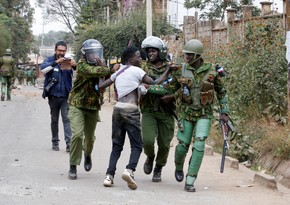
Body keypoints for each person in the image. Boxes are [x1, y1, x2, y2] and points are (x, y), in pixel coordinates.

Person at [95, 46, 178, 190]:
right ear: (131, 59)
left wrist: (102, 70)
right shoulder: (138, 71)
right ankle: (129, 170)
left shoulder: (118, 71)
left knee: (116, 146)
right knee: (137, 146)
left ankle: (109, 176)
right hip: (131, 111)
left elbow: (101, 86)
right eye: (138, 56)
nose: (141, 59)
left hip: (118, 109)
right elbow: (156, 82)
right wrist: (168, 71)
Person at [171, 39, 229, 192]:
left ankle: (190, 180)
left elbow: (221, 92)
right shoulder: (180, 70)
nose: (186, 58)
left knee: (199, 145)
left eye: (189, 55)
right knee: (182, 146)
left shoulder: (212, 70)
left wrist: (225, 112)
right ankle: (178, 167)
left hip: (204, 113)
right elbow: (170, 88)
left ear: (197, 55)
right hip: (186, 112)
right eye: (185, 55)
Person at [67, 39, 112, 180]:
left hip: (93, 106)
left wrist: (107, 71)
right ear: (85, 55)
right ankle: (73, 166)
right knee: (76, 135)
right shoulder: (82, 66)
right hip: (77, 104)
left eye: (97, 53)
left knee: (90, 138)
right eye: (91, 54)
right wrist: (107, 68)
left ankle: (87, 154)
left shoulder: (101, 66)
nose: (95, 57)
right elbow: (98, 71)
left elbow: (107, 79)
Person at [139, 36, 177, 182]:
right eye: (149, 51)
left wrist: (152, 88)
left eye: (153, 51)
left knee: (164, 144)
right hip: (149, 110)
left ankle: (159, 167)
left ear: (161, 52)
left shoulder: (172, 68)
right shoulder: (143, 68)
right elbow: (142, 84)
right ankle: (150, 156)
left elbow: (173, 88)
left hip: (167, 111)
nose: (150, 54)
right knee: (148, 141)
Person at [40, 41, 76, 152]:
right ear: (55, 50)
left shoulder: (68, 61)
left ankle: (69, 143)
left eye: (63, 51)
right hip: (53, 95)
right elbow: (43, 70)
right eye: (59, 50)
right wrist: (56, 62)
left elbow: (75, 75)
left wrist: (74, 66)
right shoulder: (50, 60)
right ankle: (55, 142)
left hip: (65, 95)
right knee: (54, 120)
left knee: (67, 119)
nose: (61, 52)